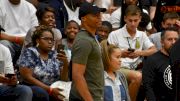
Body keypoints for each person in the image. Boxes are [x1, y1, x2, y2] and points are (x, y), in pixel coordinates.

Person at [108, 5, 157, 101]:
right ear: (125, 18)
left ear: (140, 19)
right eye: (130, 20)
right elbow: (108, 55)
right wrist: (122, 53)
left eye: (135, 20)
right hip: (118, 68)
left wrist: (139, 53)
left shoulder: (142, 34)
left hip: (136, 68)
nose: (133, 23)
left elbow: (154, 50)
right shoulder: (114, 34)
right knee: (138, 76)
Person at [17, 25, 69, 101]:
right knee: (41, 93)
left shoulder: (55, 54)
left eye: (52, 39)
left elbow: (63, 80)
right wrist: (49, 90)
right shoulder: (30, 52)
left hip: (53, 87)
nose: (50, 42)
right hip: (33, 87)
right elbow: (27, 77)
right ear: (37, 40)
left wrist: (65, 64)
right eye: (46, 39)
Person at [69, 2, 106, 101]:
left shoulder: (91, 37)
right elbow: (77, 75)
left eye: (99, 15)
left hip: (94, 95)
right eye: (95, 15)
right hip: (84, 97)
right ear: (83, 18)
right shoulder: (84, 41)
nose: (99, 18)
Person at [142, 27, 179, 101]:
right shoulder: (152, 60)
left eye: (176, 39)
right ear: (162, 42)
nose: (173, 42)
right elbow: (148, 87)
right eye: (170, 39)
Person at [0, 0, 38, 64]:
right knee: (4, 45)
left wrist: (27, 39)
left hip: (27, 41)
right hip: (7, 40)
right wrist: (17, 39)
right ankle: (2, 72)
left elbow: (36, 31)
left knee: (38, 44)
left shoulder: (30, 7)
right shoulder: (1, 4)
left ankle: (31, 72)